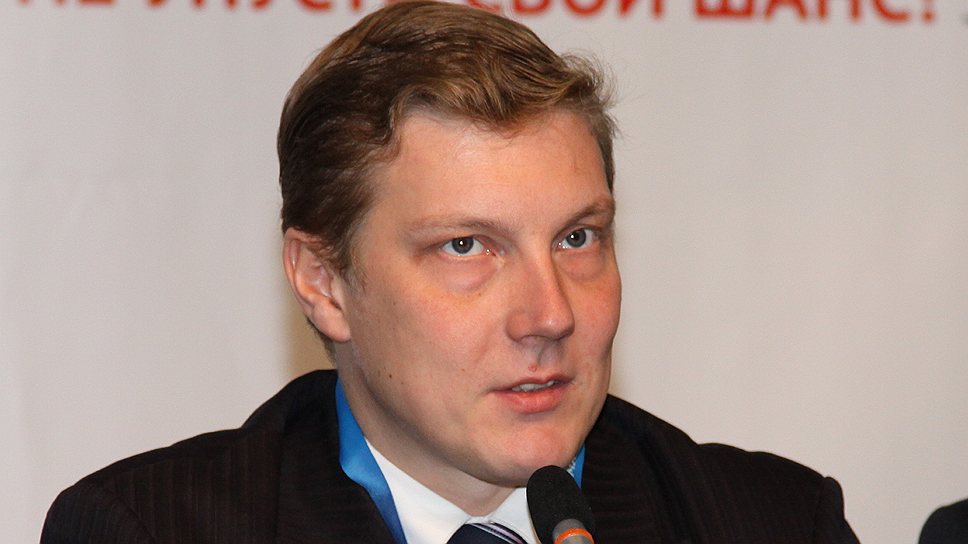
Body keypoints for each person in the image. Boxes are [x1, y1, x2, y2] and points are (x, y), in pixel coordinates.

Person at [41, 1, 859, 542]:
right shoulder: (150, 530)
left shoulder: (774, 523)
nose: (550, 315)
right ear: (324, 282)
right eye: (467, 247)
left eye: (577, 238)